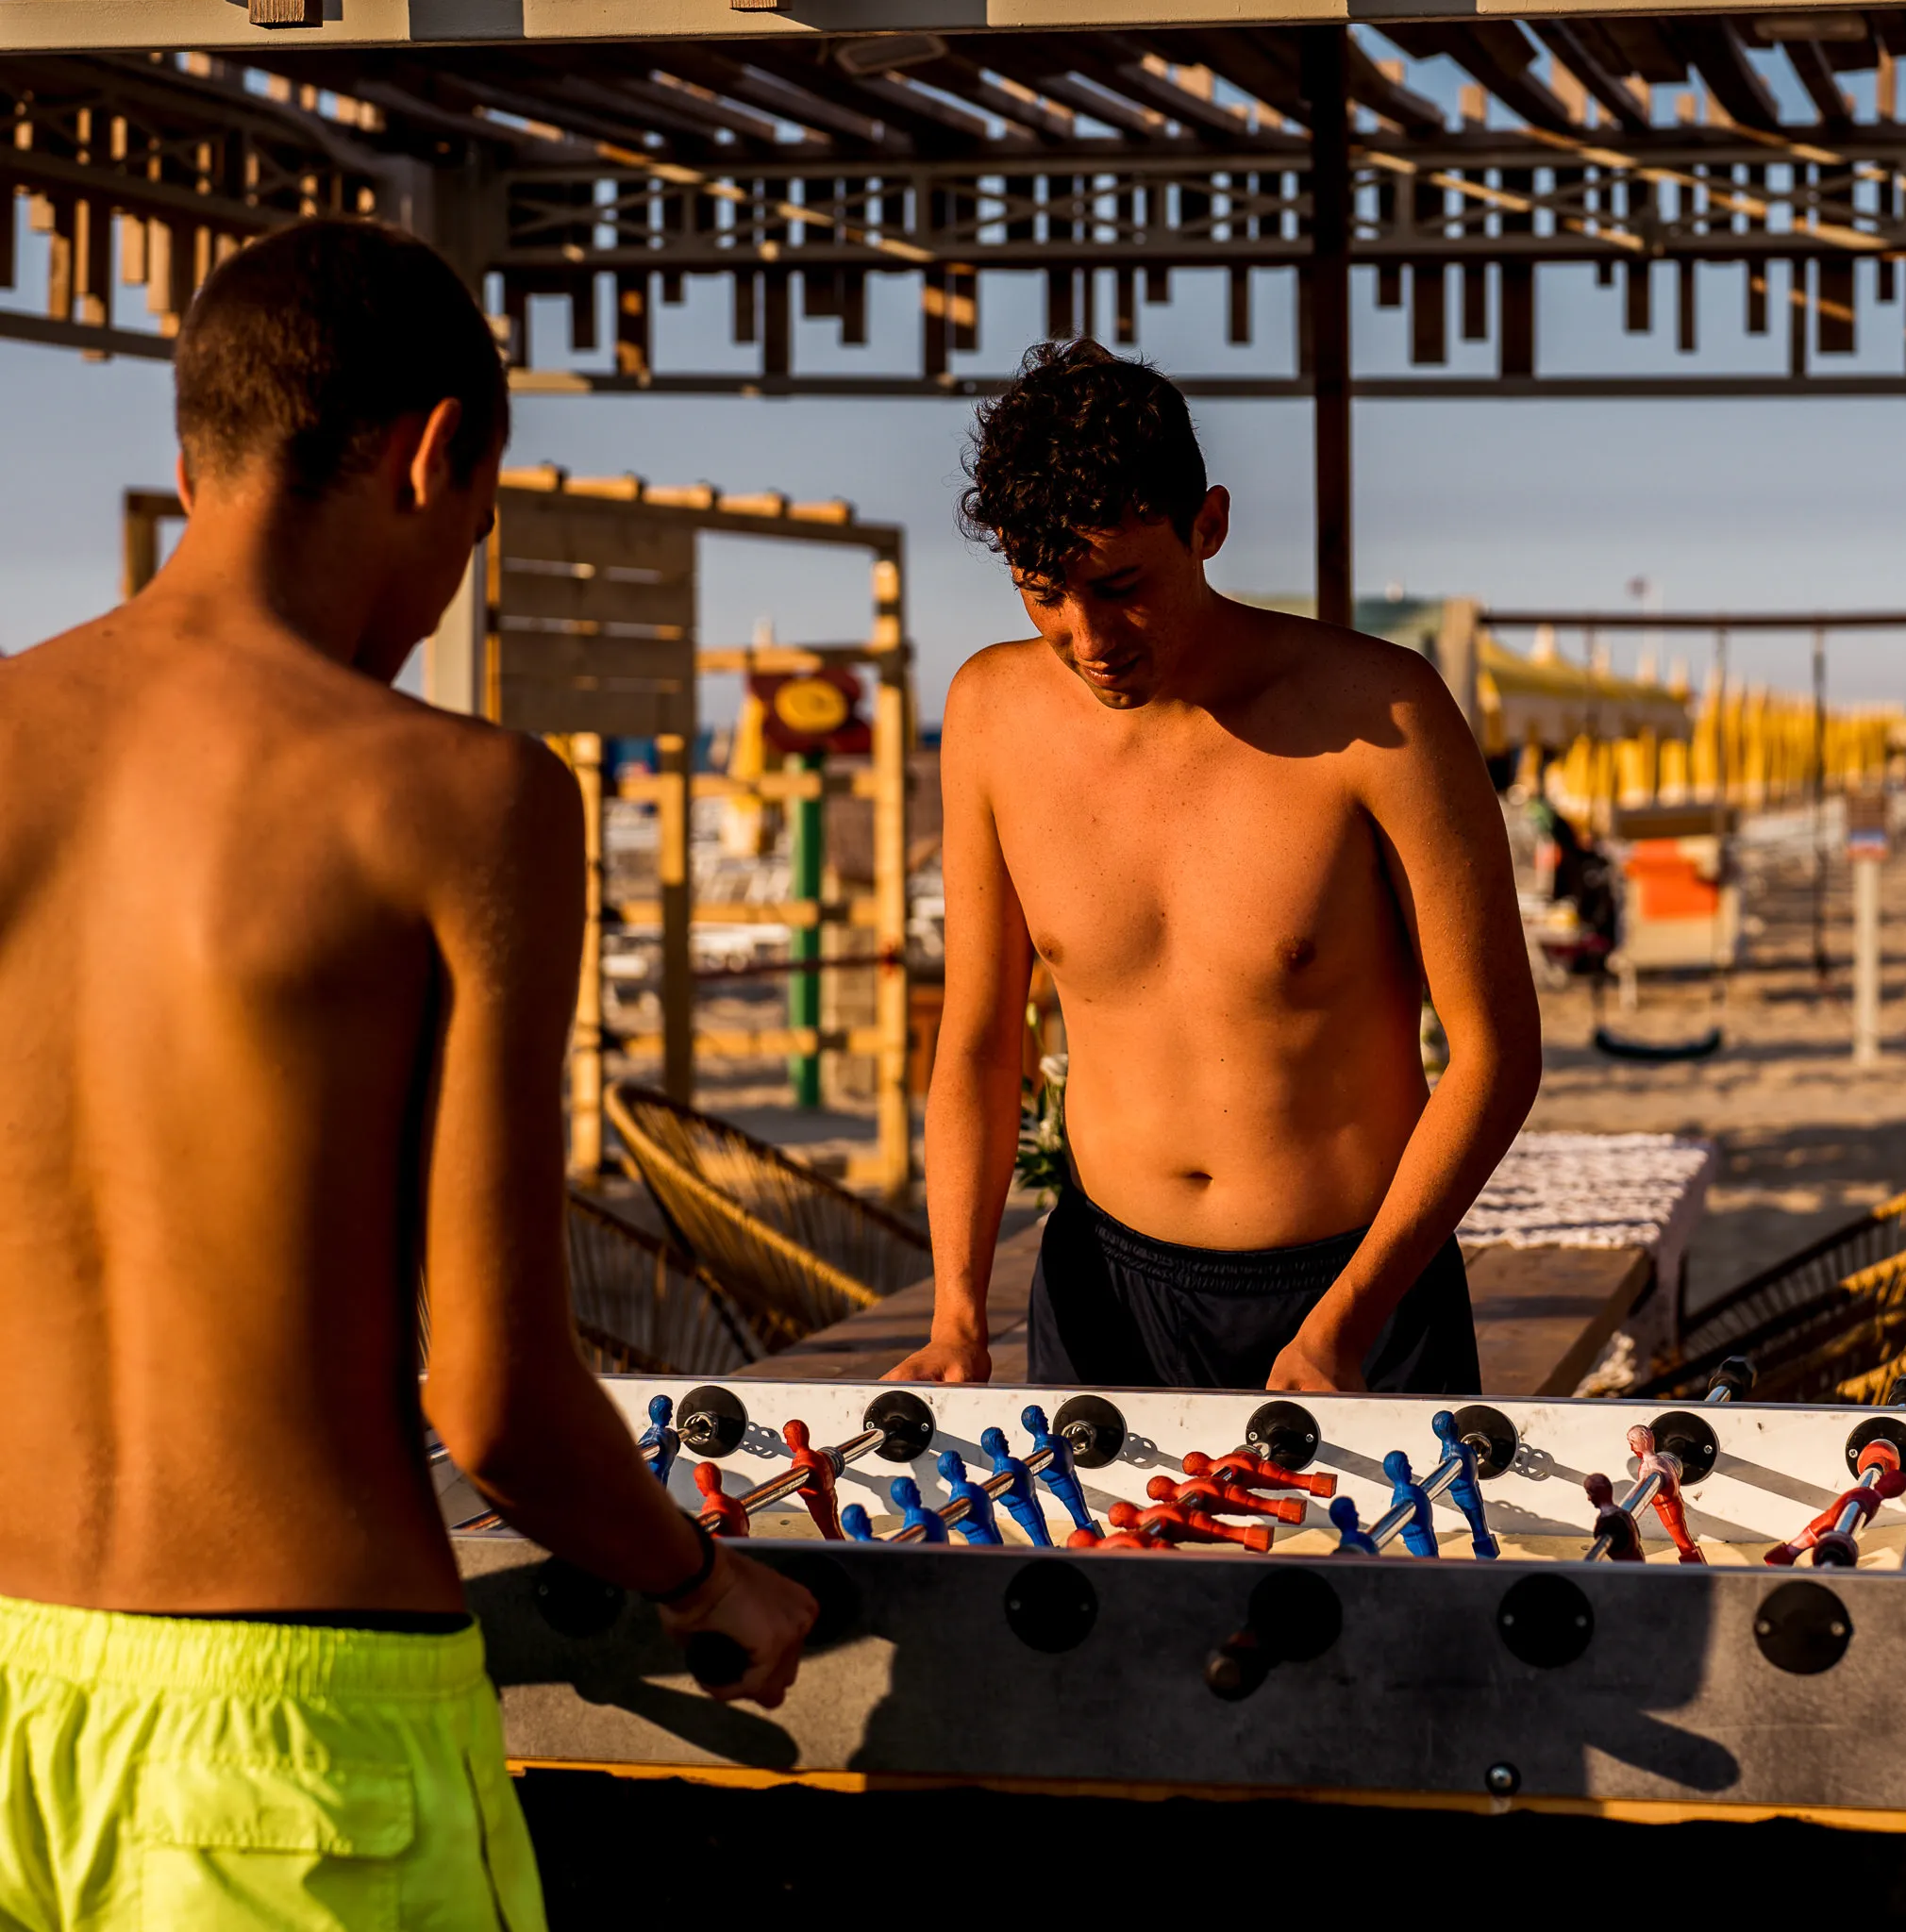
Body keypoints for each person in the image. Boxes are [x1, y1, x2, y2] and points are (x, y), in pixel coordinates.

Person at [0, 221, 814, 1932]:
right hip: (294, 1746)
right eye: (475, 530)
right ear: (437, 454)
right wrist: (700, 1576)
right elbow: (498, 1402)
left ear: (194, 464)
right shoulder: (462, 799)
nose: (449, 586)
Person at [891, 340, 1542, 1396]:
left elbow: (1497, 1052)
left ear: (1208, 526)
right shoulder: (989, 716)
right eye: (1043, 593)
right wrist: (957, 1312)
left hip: (1359, 1290)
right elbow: (978, 1042)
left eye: (1121, 586)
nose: (1089, 637)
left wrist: (1350, 1320)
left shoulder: (1381, 714)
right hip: (1103, 1285)